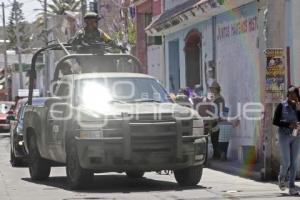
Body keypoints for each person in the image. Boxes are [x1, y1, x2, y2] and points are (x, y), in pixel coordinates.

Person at [273, 86, 300, 195]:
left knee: (294, 162)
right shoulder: (281, 105)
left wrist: (298, 110)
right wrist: (288, 124)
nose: (293, 97)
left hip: (296, 136)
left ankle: (292, 186)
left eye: (295, 95)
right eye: (291, 95)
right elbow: (275, 121)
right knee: (287, 161)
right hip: (284, 135)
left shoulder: (299, 106)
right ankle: (282, 177)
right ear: (287, 95)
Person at [208, 80, 225, 159]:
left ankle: (221, 153)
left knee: (215, 140)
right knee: (213, 139)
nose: (211, 90)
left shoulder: (220, 99)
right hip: (213, 120)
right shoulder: (214, 98)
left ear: (216, 89)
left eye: (212, 89)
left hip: (217, 121)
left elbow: (220, 111)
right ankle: (216, 155)